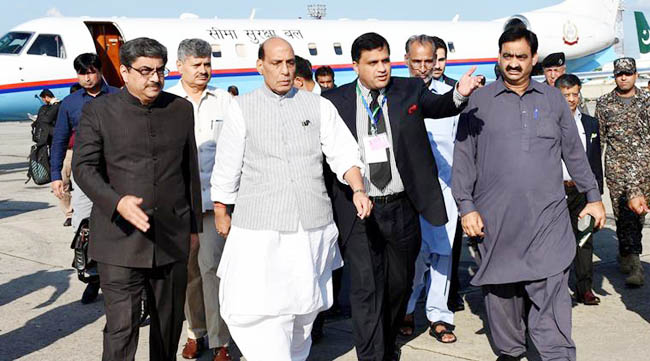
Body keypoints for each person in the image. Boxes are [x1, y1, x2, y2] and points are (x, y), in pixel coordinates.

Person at [211, 37, 371, 361]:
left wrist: (357, 188)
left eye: (290, 63)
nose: (285, 71)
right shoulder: (241, 108)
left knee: (303, 310)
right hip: (259, 229)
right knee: (260, 310)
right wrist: (221, 210)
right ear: (260, 66)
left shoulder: (318, 105)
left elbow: (343, 152)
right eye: (276, 63)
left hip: (311, 226)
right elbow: (227, 166)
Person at [322, 32, 481, 361]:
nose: (382, 69)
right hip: (359, 208)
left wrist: (460, 94)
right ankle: (373, 355)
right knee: (366, 286)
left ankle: (388, 338)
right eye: (373, 63)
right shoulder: (334, 102)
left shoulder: (407, 90)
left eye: (385, 61)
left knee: (399, 283)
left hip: (400, 205)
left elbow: (438, 106)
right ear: (355, 66)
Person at [452, 26, 606, 361]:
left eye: (521, 57)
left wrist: (593, 197)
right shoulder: (479, 101)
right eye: (507, 56)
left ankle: (556, 354)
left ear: (533, 59)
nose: (514, 64)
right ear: (499, 57)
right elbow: (463, 159)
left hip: (546, 220)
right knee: (502, 297)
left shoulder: (551, 98)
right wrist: (466, 207)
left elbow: (574, 153)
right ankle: (510, 352)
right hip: (496, 222)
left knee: (551, 294)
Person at [72, 37, 202, 361]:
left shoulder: (180, 109)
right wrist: (116, 202)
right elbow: (83, 168)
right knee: (122, 327)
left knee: (169, 326)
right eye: (145, 71)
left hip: (171, 237)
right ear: (125, 71)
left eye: (160, 70)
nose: (155, 78)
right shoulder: (98, 110)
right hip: (119, 239)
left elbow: (190, 171)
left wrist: (194, 230)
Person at [167, 38, 233, 361]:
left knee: (211, 269)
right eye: (197, 65)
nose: (204, 70)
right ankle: (197, 332)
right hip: (179, 207)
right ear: (180, 66)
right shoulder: (167, 102)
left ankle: (221, 341)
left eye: (208, 64)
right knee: (188, 272)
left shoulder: (224, 101)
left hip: (213, 204)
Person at [399, 34, 460, 343]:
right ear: (406, 61)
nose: (423, 67)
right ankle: (408, 309)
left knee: (443, 255)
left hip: (446, 190)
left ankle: (438, 315)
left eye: (429, 61)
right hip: (408, 193)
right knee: (414, 256)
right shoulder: (395, 96)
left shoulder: (451, 97)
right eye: (417, 61)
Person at [50, 53, 119, 303]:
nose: (87, 78)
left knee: (118, 225)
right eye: (82, 73)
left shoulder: (119, 96)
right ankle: (92, 277)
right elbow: (58, 140)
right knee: (83, 226)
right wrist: (56, 175)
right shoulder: (69, 103)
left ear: (100, 71)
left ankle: (117, 278)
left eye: (91, 72)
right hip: (84, 174)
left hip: (115, 172)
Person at [596, 57, 649, 287]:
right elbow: (598, 140)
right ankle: (634, 261)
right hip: (617, 167)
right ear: (615, 76)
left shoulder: (647, 101)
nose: (624, 77)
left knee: (638, 215)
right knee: (623, 215)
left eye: (628, 73)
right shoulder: (604, 103)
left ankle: (628, 254)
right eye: (620, 74)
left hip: (645, 167)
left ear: (636, 74)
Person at [555, 74, 604, 305]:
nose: (572, 99)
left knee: (584, 239)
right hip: (556, 190)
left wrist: (597, 194)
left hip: (582, 191)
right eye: (566, 95)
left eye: (575, 94)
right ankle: (557, 288)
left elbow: (595, 162)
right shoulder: (549, 123)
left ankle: (585, 288)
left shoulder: (590, 123)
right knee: (557, 240)